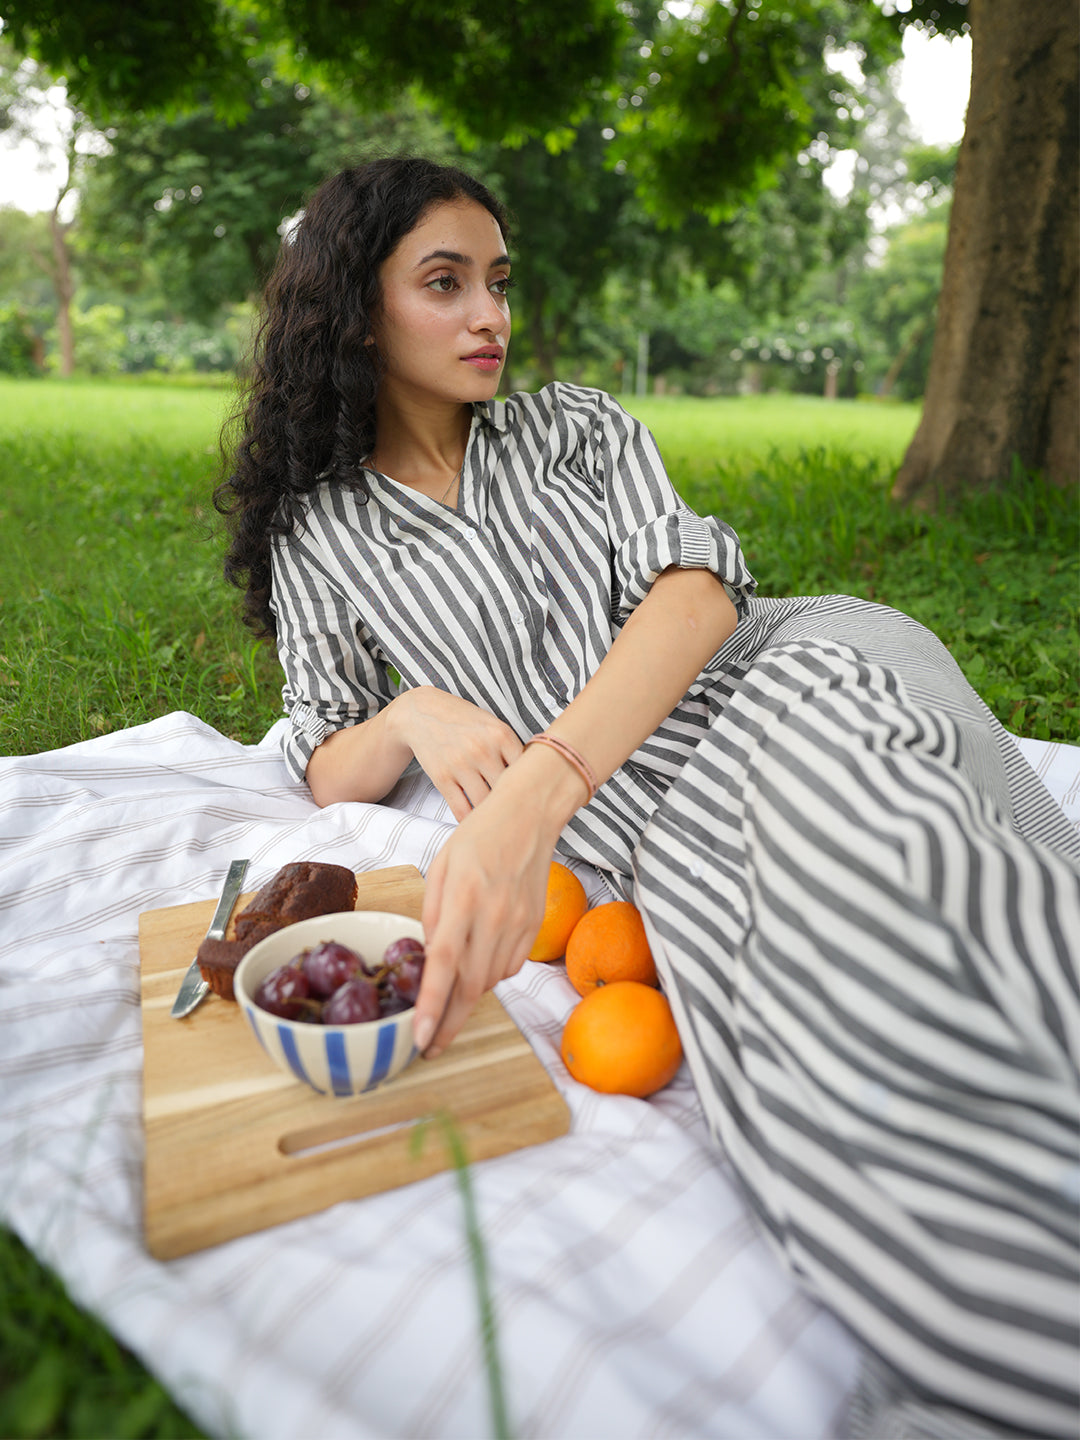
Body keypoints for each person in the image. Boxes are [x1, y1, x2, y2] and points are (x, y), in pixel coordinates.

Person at [216, 156, 1079, 1439]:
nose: (488, 315)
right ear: (353, 313)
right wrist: (409, 712)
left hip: (782, 679)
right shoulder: (322, 529)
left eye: (496, 282)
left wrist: (531, 800)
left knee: (904, 846)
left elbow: (698, 593)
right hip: (657, 826)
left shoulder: (578, 429)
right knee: (812, 1000)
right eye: (442, 284)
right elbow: (320, 746)